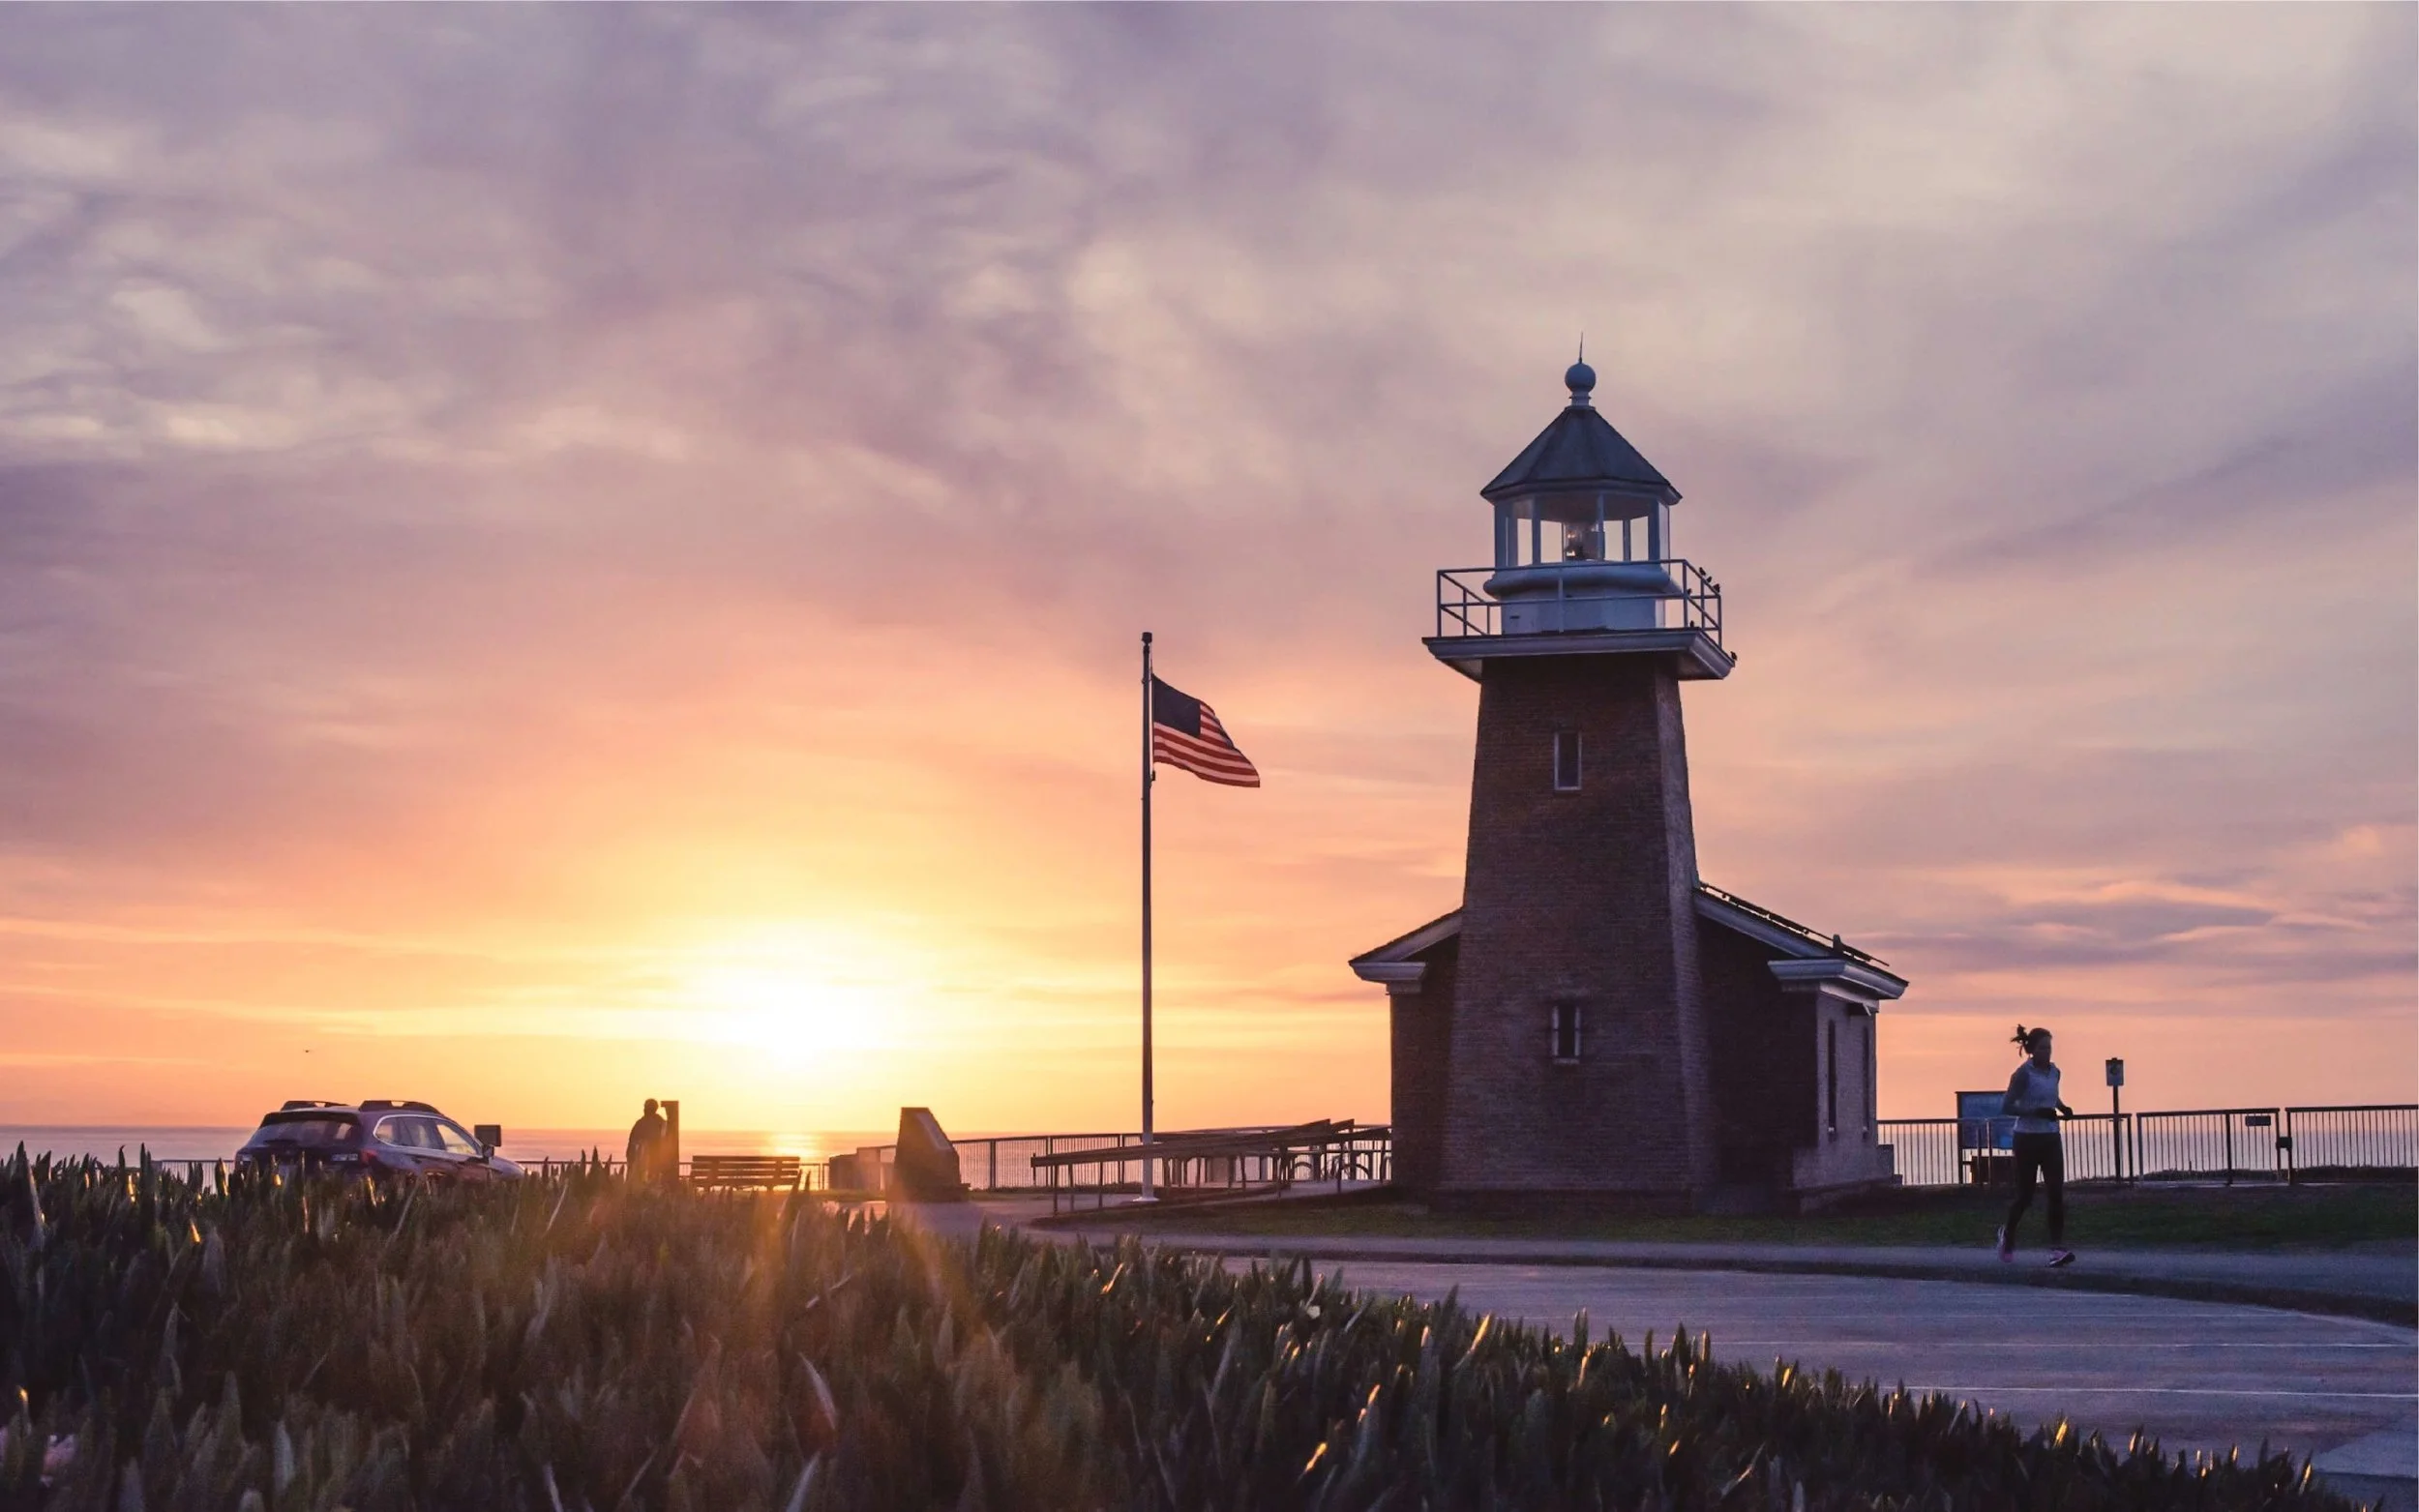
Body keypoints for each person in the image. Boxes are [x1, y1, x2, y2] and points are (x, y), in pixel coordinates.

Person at [1996, 1025, 2076, 1266]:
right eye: (2042, 1048)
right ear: (2032, 1050)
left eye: (2049, 1047)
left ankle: (2057, 1249)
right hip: (2027, 1138)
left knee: (2055, 1192)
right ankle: (2007, 1235)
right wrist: (2036, 1112)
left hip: (2050, 1137)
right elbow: (2008, 1106)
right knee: (2026, 1195)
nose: (2047, 1052)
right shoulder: (2023, 1074)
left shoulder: (2055, 1072)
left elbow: (2052, 1096)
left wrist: (2062, 1108)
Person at [626, 1098, 668, 1183]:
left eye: (645, 1107)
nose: (644, 1109)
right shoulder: (660, 1123)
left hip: (649, 1162)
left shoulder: (646, 1123)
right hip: (646, 1162)